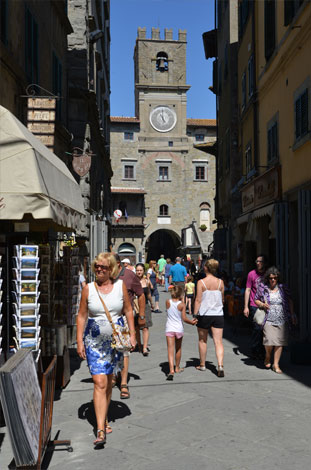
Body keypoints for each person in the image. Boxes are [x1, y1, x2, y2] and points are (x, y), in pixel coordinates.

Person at [76, 252, 136, 446]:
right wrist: (79, 341)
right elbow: (82, 316)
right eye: (96, 267)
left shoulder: (120, 287)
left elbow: (128, 310)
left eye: (103, 267)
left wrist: (133, 334)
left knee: (109, 380)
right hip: (94, 340)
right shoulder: (88, 289)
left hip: (115, 340)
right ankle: (100, 429)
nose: (99, 270)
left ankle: (104, 416)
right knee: (99, 381)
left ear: (112, 269)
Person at [113, 254, 145, 399]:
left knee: (125, 351)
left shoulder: (130, 276)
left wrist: (142, 315)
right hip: (109, 319)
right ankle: (114, 375)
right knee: (111, 350)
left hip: (126, 318)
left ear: (118, 264)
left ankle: (124, 382)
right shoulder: (106, 276)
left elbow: (141, 294)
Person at [255, 266, 297, 373]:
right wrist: (263, 304)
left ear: (278, 278)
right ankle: (268, 356)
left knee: (279, 342)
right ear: (267, 279)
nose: (273, 280)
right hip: (268, 319)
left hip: (281, 319)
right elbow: (256, 300)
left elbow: (290, 300)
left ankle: (276, 364)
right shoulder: (263, 288)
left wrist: (292, 315)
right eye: (271, 278)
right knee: (268, 341)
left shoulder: (283, 288)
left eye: (275, 278)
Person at [193, 259, 225, 377]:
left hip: (204, 314)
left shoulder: (201, 282)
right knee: (218, 342)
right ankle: (220, 365)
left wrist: (195, 314)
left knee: (202, 340)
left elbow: (198, 300)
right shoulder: (221, 283)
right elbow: (222, 299)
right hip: (218, 314)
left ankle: (202, 365)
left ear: (206, 268)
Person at [165, 285, 197, 380]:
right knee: (178, 348)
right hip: (178, 328)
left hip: (169, 328)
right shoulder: (182, 305)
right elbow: (184, 318)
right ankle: (177, 368)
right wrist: (192, 322)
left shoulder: (167, 302)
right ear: (181, 295)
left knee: (170, 350)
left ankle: (171, 370)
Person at [243, 254, 267, 359]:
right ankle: (255, 349)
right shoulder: (251, 274)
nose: (258, 263)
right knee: (257, 328)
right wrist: (246, 306)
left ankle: (263, 350)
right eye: (256, 261)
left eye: (260, 261)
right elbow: (248, 290)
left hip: (267, 305)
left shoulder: (268, 274)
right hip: (254, 305)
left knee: (266, 329)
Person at [135, 263, 154, 356]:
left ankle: (145, 347)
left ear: (143, 271)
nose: (139, 272)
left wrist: (152, 303)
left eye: (140, 270)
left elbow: (149, 294)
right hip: (135, 306)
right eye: (137, 270)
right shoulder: (133, 281)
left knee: (145, 327)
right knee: (137, 327)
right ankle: (138, 344)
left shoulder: (146, 281)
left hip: (145, 305)